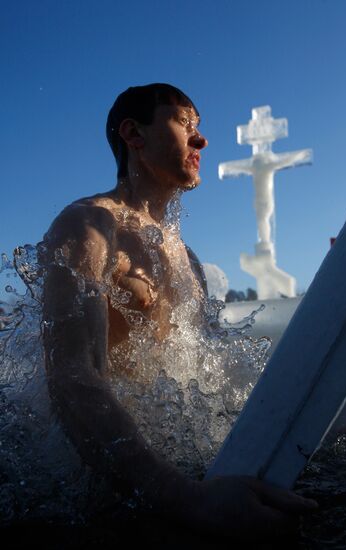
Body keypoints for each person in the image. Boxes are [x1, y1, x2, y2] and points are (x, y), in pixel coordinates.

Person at [41, 83, 317, 543]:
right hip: (105, 481)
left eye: (199, 127)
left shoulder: (186, 258)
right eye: (184, 124)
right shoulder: (89, 226)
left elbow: (210, 375)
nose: (202, 140)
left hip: (176, 457)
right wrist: (186, 499)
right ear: (134, 134)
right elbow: (71, 377)